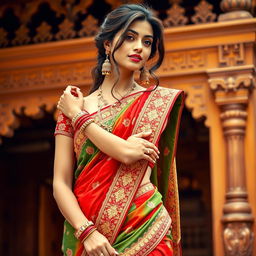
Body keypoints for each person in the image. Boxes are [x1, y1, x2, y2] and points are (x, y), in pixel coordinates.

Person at [53, 4, 184, 256]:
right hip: (88, 236)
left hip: (146, 228)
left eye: (147, 42)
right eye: (130, 37)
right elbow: (60, 183)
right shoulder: (74, 107)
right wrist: (86, 232)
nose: (139, 48)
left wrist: (79, 117)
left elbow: (127, 153)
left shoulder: (153, 102)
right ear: (108, 44)